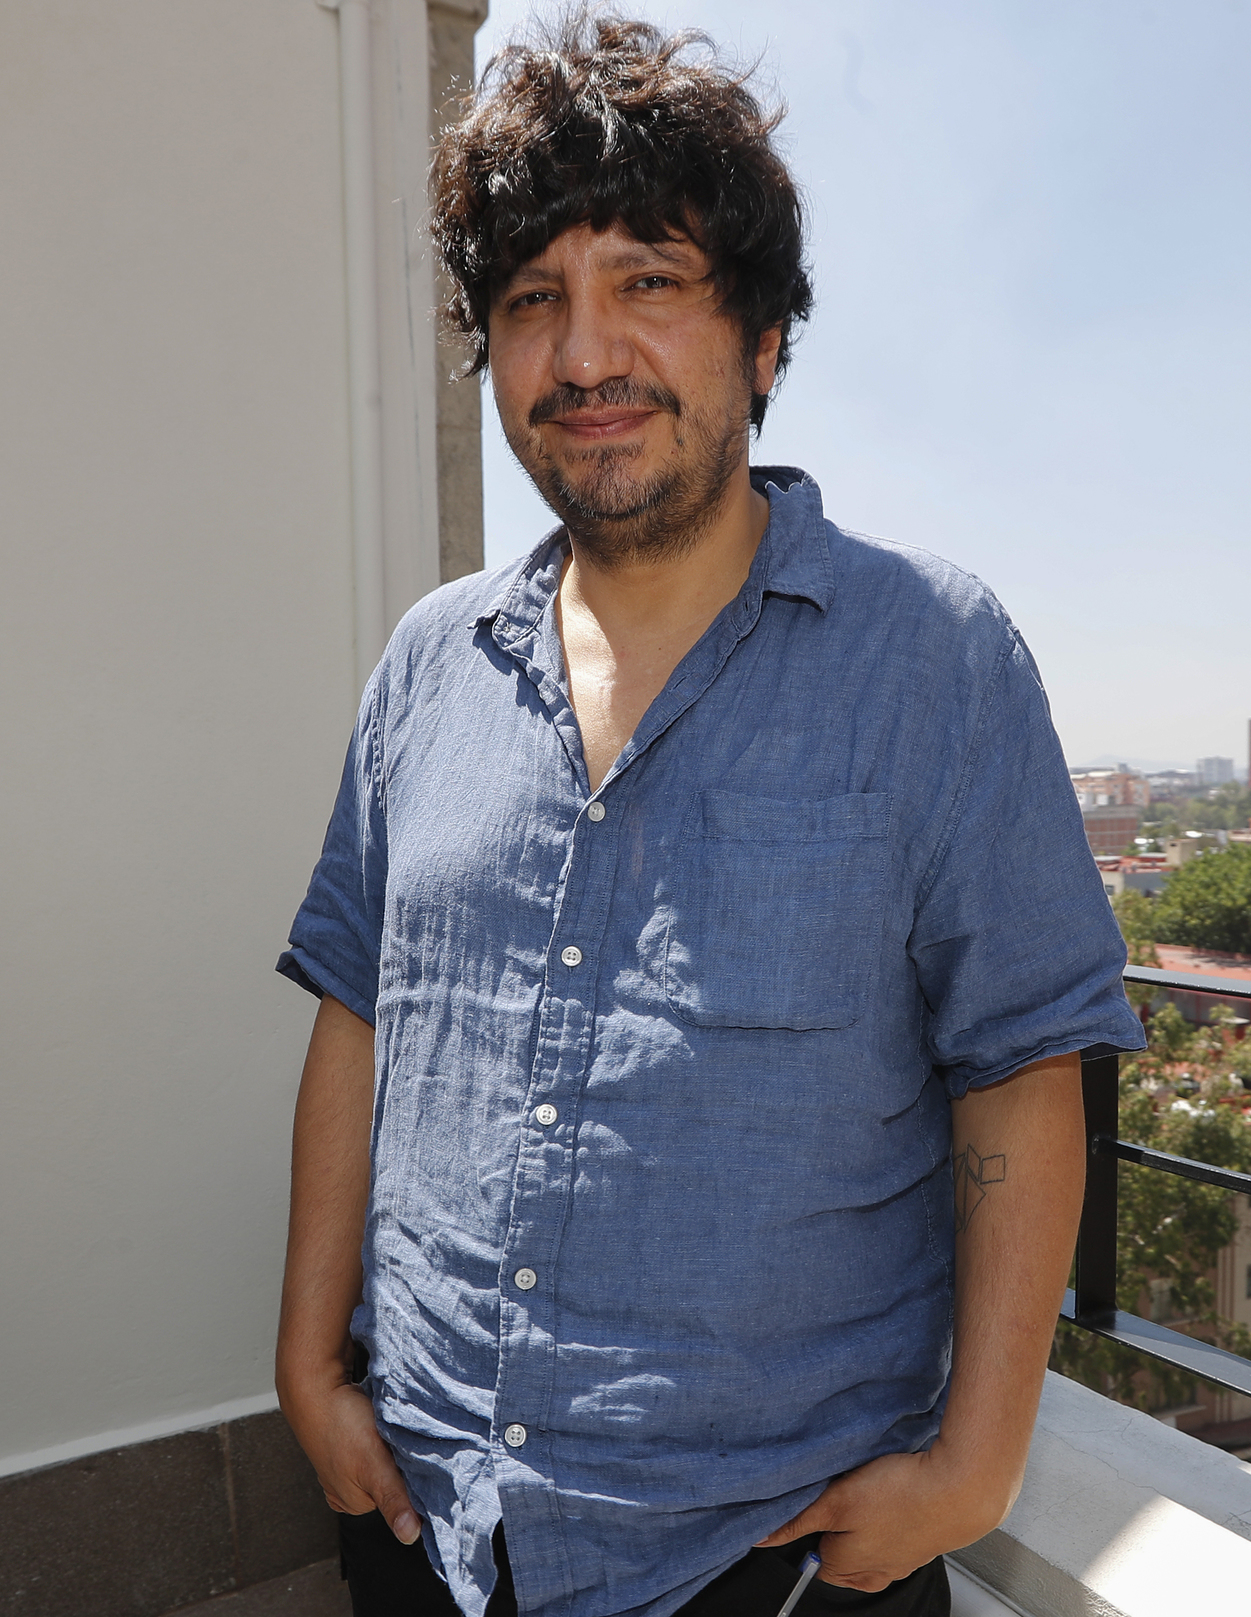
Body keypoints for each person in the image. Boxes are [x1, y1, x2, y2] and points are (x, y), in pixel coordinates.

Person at [275, 15, 1144, 1617]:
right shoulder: (424, 668)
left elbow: (1024, 1068)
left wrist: (975, 1466)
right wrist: (307, 1362)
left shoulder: (936, 662)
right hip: (428, 1527)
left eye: (648, 282)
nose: (584, 354)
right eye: (532, 300)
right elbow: (356, 1007)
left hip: (765, 1561)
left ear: (763, 341)